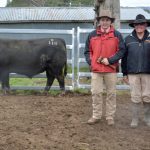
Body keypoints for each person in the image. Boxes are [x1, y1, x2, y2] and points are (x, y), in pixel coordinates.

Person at [84, 9, 126, 125]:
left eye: (107, 20)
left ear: (110, 22)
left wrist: (110, 60)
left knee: (111, 93)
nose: (105, 22)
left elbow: (121, 50)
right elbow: (87, 51)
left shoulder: (117, 35)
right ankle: (96, 115)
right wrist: (91, 62)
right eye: (103, 20)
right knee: (96, 93)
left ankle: (110, 116)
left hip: (111, 70)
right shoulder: (92, 35)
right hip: (96, 70)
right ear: (99, 21)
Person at [121, 14, 150, 128]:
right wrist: (124, 73)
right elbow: (124, 58)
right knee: (135, 96)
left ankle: (147, 118)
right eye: (137, 24)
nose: (139, 26)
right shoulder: (128, 39)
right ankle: (135, 119)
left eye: (142, 24)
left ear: (146, 25)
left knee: (148, 96)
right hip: (132, 73)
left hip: (148, 72)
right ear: (134, 26)